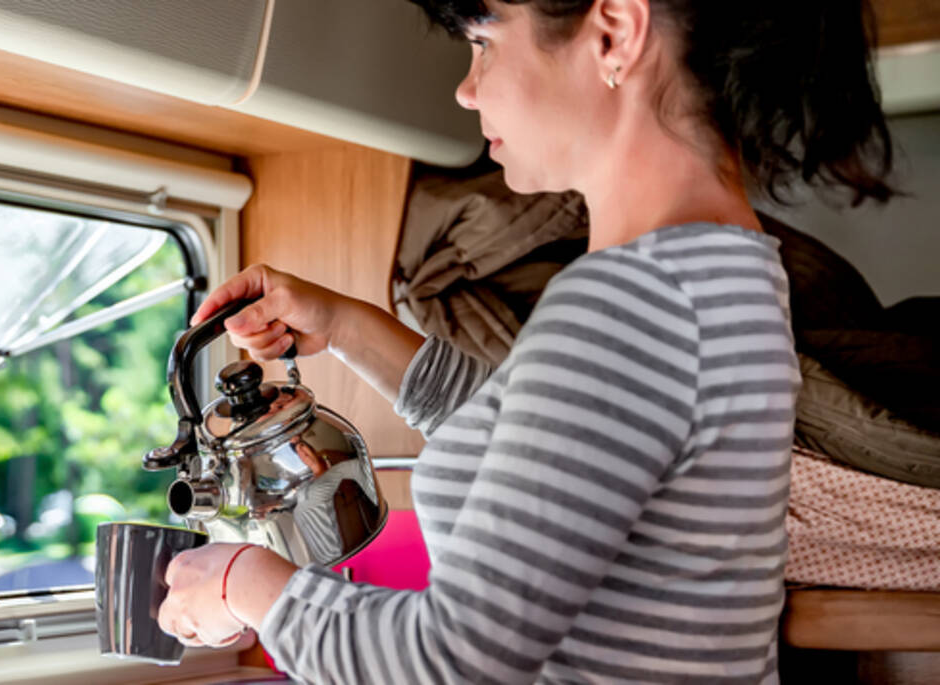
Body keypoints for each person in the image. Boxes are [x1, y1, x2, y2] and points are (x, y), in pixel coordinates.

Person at [154, 0, 897, 682]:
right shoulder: (722, 268)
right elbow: (551, 442)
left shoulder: (630, 298)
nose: (467, 90)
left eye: (484, 41)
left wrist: (242, 583)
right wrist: (347, 324)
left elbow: (448, 660)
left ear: (614, 31)